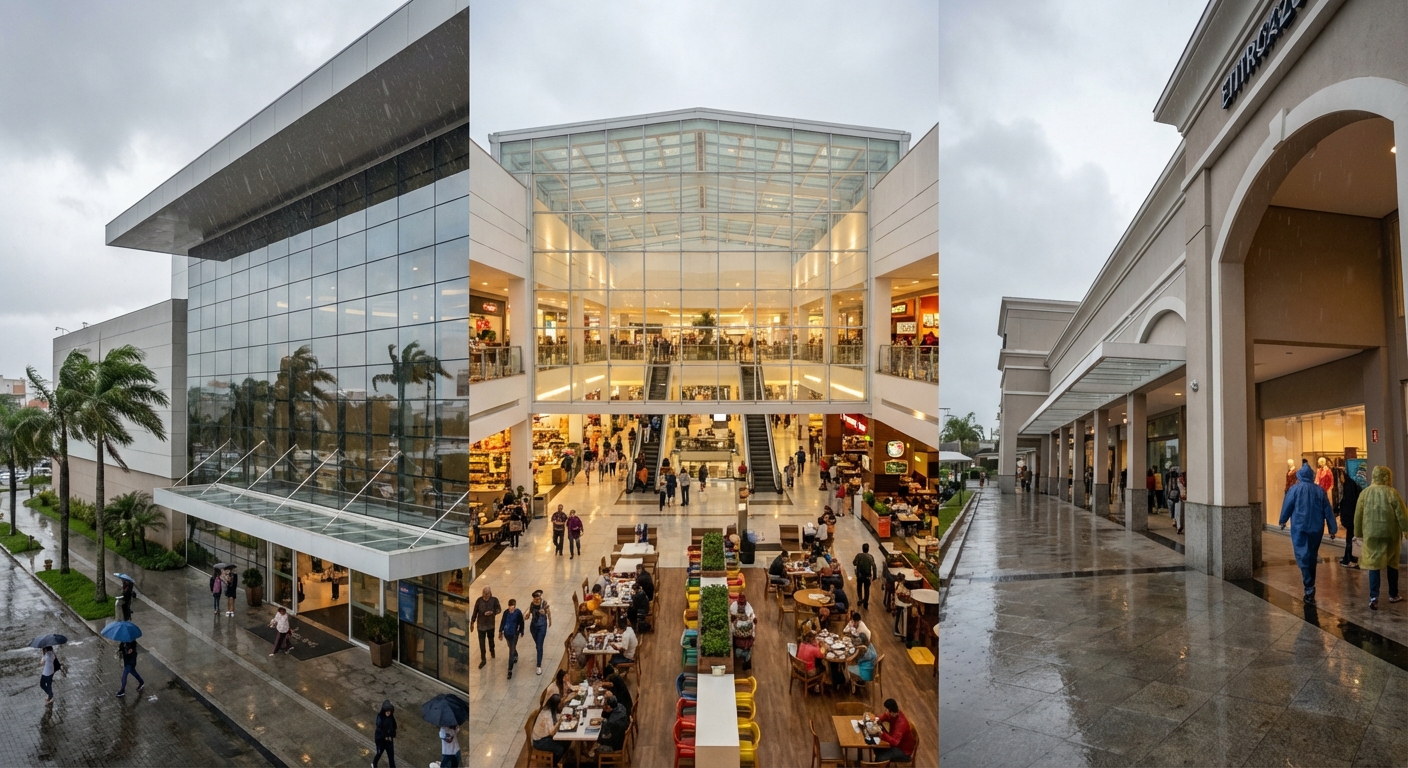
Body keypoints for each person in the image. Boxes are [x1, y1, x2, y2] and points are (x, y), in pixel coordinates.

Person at [1280, 461, 1338, 603]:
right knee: (1311, 556)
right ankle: (1310, 585)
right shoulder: (1319, 491)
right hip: (1316, 528)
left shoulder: (1294, 489)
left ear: (1300, 475)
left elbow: (1287, 505)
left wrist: (1283, 520)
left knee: (1302, 556)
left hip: (1299, 528)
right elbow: (1328, 511)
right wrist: (1332, 528)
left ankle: (1309, 587)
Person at [1355, 466, 1408, 609]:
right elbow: (1402, 514)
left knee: (1374, 565)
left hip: (1371, 534)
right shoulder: (1392, 493)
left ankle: (1373, 597)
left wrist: (1358, 532)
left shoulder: (1365, 493)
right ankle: (1393, 594)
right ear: (1388, 477)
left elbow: (1358, 515)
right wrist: (1406, 530)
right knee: (1392, 564)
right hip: (1390, 534)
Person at [873, 699, 917, 763]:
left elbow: (895, 742)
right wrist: (878, 719)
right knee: (876, 747)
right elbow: (886, 716)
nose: (886, 712)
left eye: (887, 711)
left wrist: (882, 733)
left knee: (880, 758)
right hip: (897, 744)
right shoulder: (896, 713)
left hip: (903, 751)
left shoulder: (901, 724)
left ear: (892, 713)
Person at [531, 694, 569, 762]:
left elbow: (554, 718)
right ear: (555, 705)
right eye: (559, 704)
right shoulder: (546, 715)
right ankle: (555, 763)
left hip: (545, 736)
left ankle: (562, 759)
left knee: (567, 741)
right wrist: (559, 722)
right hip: (540, 741)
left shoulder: (550, 710)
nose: (561, 706)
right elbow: (552, 733)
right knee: (560, 749)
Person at [471, 587, 502, 668]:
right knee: (482, 643)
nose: (485, 595)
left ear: (490, 593)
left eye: (487, 594)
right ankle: (483, 659)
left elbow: (499, 609)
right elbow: (475, 611)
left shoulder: (494, 600)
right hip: (481, 626)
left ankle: (492, 651)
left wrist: (493, 612)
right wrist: (472, 622)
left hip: (490, 625)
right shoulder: (479, 601)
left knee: (491, 640)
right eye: (483, 593)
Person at [1340, 468, 1364, 568]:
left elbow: (1348, 504)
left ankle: (1349, 557)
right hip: (1352, 516)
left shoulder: (1348, 487)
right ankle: (1349, 556)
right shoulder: (1351, 486)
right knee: (1350, 537)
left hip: (1351, 517)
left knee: (1350, 538)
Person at [527, 590, 552, 675]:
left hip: (542, 626)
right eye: (536, 597)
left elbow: (548, 611)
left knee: (539, 646)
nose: (538, 599)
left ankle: (538, 666)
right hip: (533, 626)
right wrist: (526, 615)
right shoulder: (532, 604)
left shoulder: (544, 603)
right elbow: (529, 612)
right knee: (538, 644)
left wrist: (549, 620)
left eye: (539, 597)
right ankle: (539, 653)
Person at [500, 598, 525, 680]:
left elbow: (521, 622)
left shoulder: (518, 613)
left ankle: (510, 670)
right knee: (511, 647)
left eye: (512, 608)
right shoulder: (506, 613)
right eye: (510, 608)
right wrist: (500, 631)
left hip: (514, 634)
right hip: (507, 634)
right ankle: (516, 654)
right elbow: (503, 622)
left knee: (511, 652)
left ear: (515, 607)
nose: (511, 610)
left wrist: (521, 631)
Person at [372, 699, 397, 768]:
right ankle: (374, 764)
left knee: (391, 756)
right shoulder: (380, 717)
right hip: (381, 741)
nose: (388, 712)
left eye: (389, 711)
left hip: (389, 740)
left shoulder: (391, 718)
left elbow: (394, 726)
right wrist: (386, 735)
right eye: (387, 711)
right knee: (379, 753)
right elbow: (379, 728)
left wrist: (392, 734)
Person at [852, 543, 877, 610]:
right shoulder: (870, 557)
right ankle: (865, 603)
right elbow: (874, 567)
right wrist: (874, 576)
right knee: (867, 589)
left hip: (860, 576)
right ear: (868, 549)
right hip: (867, 577)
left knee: (859, 588)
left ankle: (860, 599)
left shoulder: (859, 555)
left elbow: (854, 562)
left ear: (862, 548)